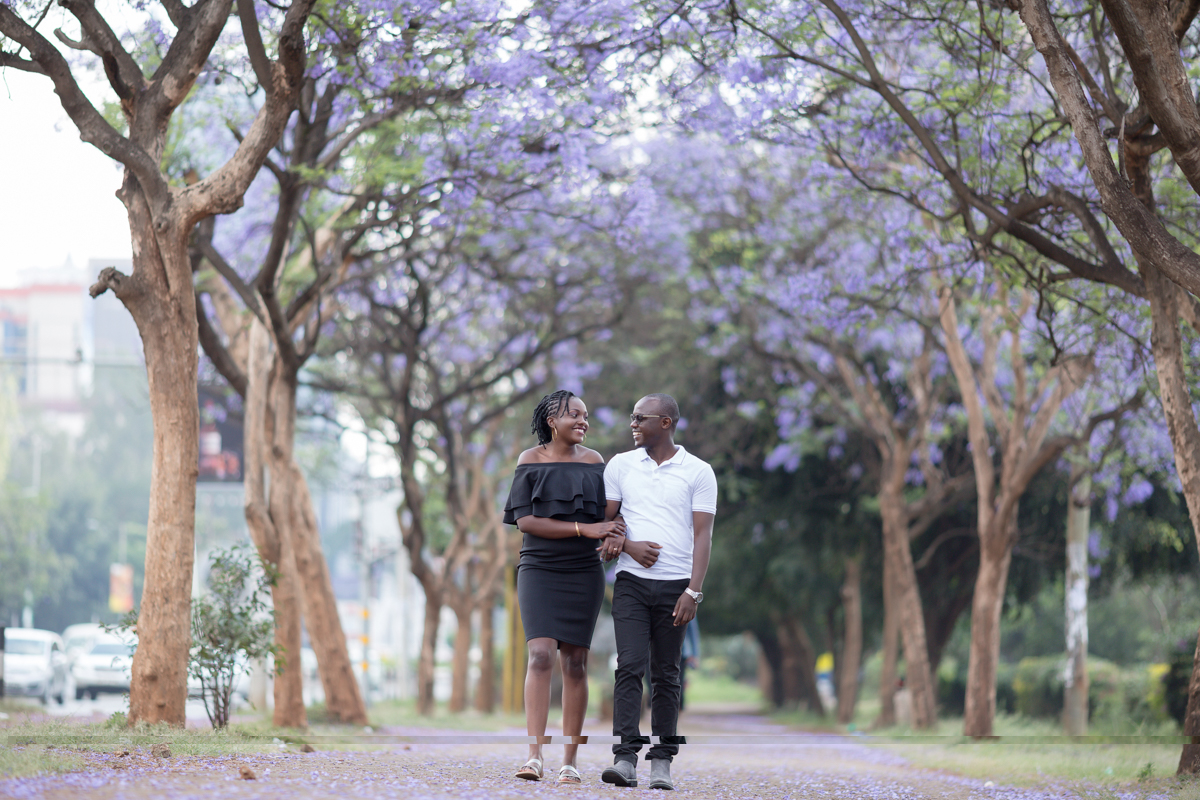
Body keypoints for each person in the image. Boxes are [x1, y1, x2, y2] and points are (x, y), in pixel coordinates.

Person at [503, 390, 627, 785]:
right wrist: (584, 528)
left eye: (586, 416)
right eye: (574, 414)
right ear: (551, 420)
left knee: (574, 661)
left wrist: (614, 535)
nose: (582, 421)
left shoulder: (596, 464)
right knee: (540, 655)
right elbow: (526, 522)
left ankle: (570, 761)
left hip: (582, 570)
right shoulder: (529, 461)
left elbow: (613, 514)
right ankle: (535, 755)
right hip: (539, 567)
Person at [600, 393, 717, 791]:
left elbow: (703, 536)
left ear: (665, 423)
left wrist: (693, 591)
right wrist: (629, 546)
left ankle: (663, 761)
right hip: (631, 582)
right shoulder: (620, 465)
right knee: (629, 666)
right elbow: (608, 523)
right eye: (631, 417)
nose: (632, 424)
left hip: (675, 589)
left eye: (640, 418)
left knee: (666, 674)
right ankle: (625, 758)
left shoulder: (699, 472)